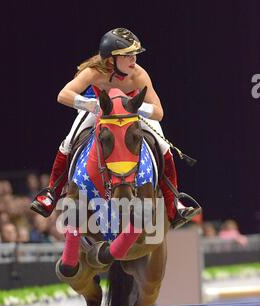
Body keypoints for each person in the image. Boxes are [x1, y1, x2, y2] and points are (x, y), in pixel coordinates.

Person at [31, 28, 198, 228]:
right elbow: (63, 95)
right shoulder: (94, 71)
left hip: (131, 114)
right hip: (100, 110)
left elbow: (159, 112)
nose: (133, 59)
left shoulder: (138, 74)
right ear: (111, 59)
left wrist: (131, 106)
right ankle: (51, 194)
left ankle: (174, 203)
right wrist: (92, 105)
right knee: (69, 142)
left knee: (163, 146)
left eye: (134, 54)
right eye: (127, 55)